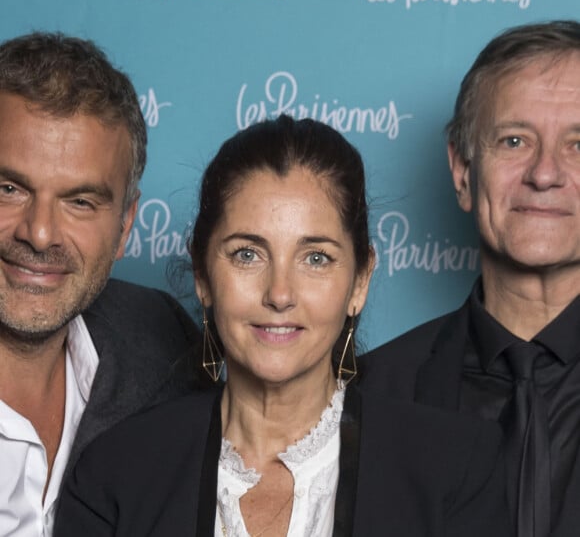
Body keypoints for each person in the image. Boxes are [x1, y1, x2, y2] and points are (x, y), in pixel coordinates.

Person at [54, 115, 509, 537]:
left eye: (316, 258)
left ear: (360, 281)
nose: (280, 293)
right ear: (202, 275)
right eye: (247, 254)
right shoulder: (116, 472)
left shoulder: (455, 467)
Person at [358, 19, 580, 537]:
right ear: (462, 173)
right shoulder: (368, 398)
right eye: (514, 140)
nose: (545, 173)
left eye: (579, 143)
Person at [0, 32, 199, 536]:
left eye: (80, 202)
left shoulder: (159, 342)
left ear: (125, 226)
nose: (39, 233)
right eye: (8, 188)